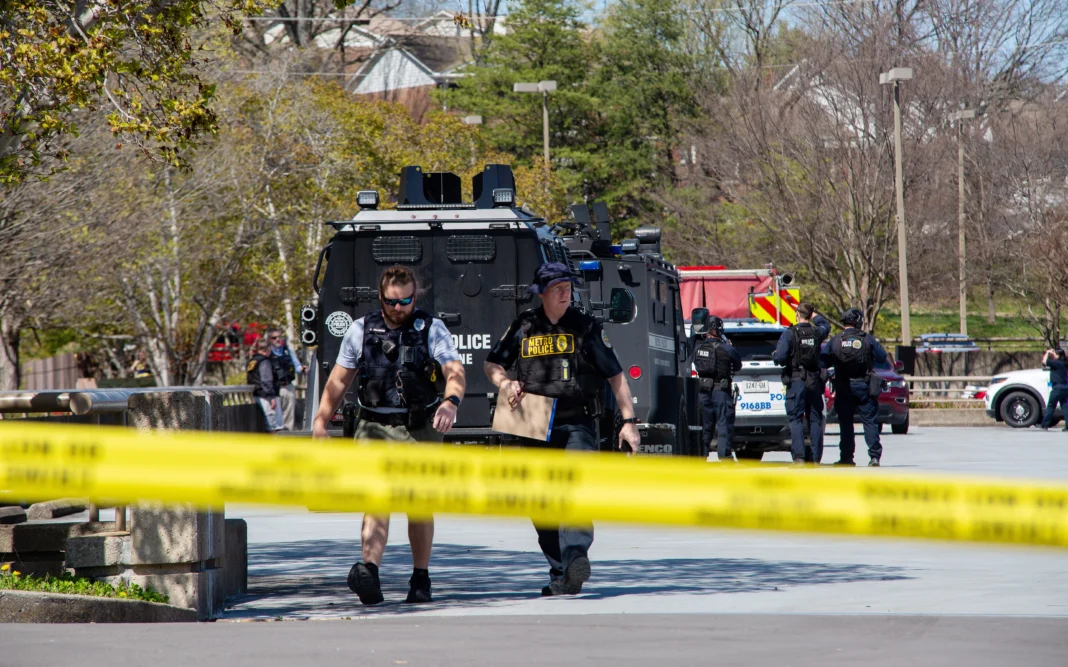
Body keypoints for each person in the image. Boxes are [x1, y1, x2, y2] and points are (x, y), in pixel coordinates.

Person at [484, 262, 641, 597]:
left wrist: (628, 422)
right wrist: (505, 382)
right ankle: (562, 572)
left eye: (567, 286)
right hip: (533, 421)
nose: (564, 292)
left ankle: (574, 559)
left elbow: (616, 375)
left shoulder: (585, 326)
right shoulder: (525, 325)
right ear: (541, 292)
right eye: (556, 288)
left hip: (577, 421)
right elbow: (492, 362)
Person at [311, 265, 466, 606]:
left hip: (419, 428)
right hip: (373, 426)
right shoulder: (360, 330)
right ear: (380, 297)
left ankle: (420, 578)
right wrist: (321, 420)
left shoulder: (432, 328)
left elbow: (454, 371)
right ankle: (370, 573)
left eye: (406, 300)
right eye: (392, 302)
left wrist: (451, 402)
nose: (399, 308)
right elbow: (339, 380)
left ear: (415, 296)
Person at [821, 308, 888, 467]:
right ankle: (874, 457)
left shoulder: (836, 340)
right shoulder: (867, 339)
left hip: (844, 386)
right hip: (864, 385)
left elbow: (823, 361)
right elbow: (882, 357)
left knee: (845, 423)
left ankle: (846, 457)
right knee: (869, 422)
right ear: (857, 322)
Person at [773, 303, 832, 464]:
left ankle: (799, 457)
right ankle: (815, 458)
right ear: (810, 315)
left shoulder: (789, 334)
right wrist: (813, 315)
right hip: (813, 380)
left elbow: (779, 358)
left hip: (796, 380)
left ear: (797, 314)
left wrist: (776, 356)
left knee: (795, 418)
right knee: (815, 418)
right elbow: (826, 325)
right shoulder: (816, 332)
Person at [692, 315, 742, 461]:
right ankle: (725, 457)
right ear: (717, 329)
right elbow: (738, 366)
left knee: (705, 426)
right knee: (724, 424)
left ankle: (702, 456)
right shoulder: (727, 348)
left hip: (703, 392)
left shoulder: (698, 347)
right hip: (721, 391)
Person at [267, 328, 303, 431]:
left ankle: (288, 437)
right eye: (274, 338)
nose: (278, 340)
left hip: (288, 386)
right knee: (275, 415)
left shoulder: (287, 350)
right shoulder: (267, 352)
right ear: (270, 339)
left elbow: (297, 366)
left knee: (289, 414)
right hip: (275, 388)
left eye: (280, 337)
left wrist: (303, 369)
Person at [248, 338, 284, 432]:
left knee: (269, 424)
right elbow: (266, 380)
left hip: (257, 394)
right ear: (268, 349)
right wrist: (271, 397)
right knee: (274, 426)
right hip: (266, 396)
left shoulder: (253, 361)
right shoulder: (264, 361)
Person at [1039, 348, 1068, 431]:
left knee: (1051, 406)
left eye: (1054, 353)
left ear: (1058, 355)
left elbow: (1044, 362)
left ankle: (1044, 424)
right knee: (1065, 407)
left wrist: (1047, 353)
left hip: (1057, 388)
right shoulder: (1064, 363)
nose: (1053, 354)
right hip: (1065, 387)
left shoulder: (1056, 363)